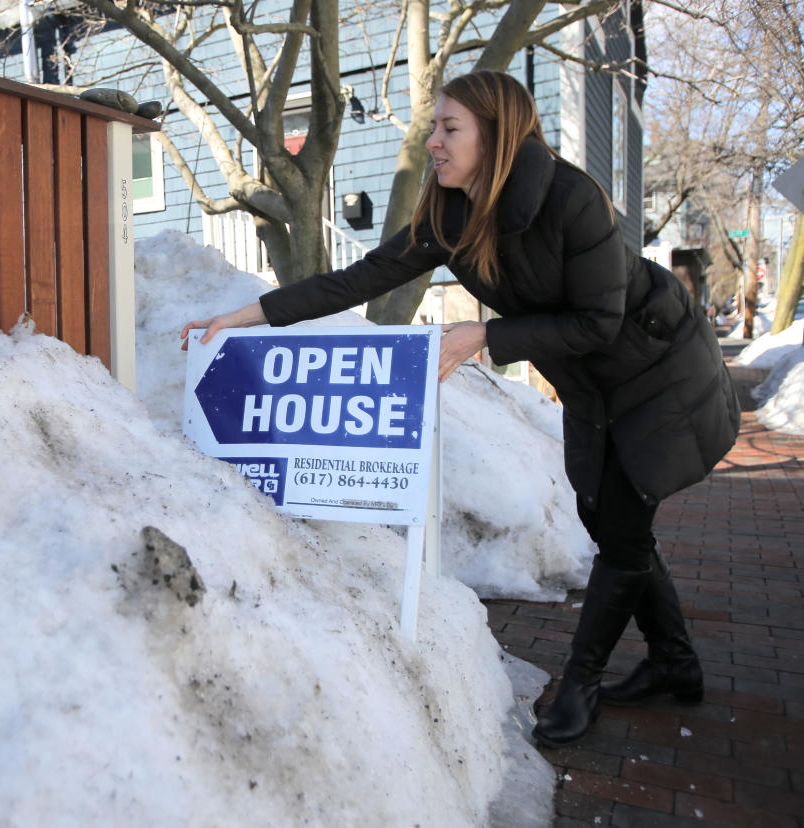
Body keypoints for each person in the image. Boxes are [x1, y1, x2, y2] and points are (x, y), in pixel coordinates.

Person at [180, 70, 740, 749]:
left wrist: (485, 336)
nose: (434, 143)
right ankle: (675, 663)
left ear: (495, 136)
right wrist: (250, 315)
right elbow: (361, 277)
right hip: (591, 379)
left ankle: (581, 680)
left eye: (450, 130)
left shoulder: (571, 200)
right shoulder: (449, 212)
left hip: (656, 364)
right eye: (435, 127)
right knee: (603, 513)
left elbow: (598, 319)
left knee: (622, 523)